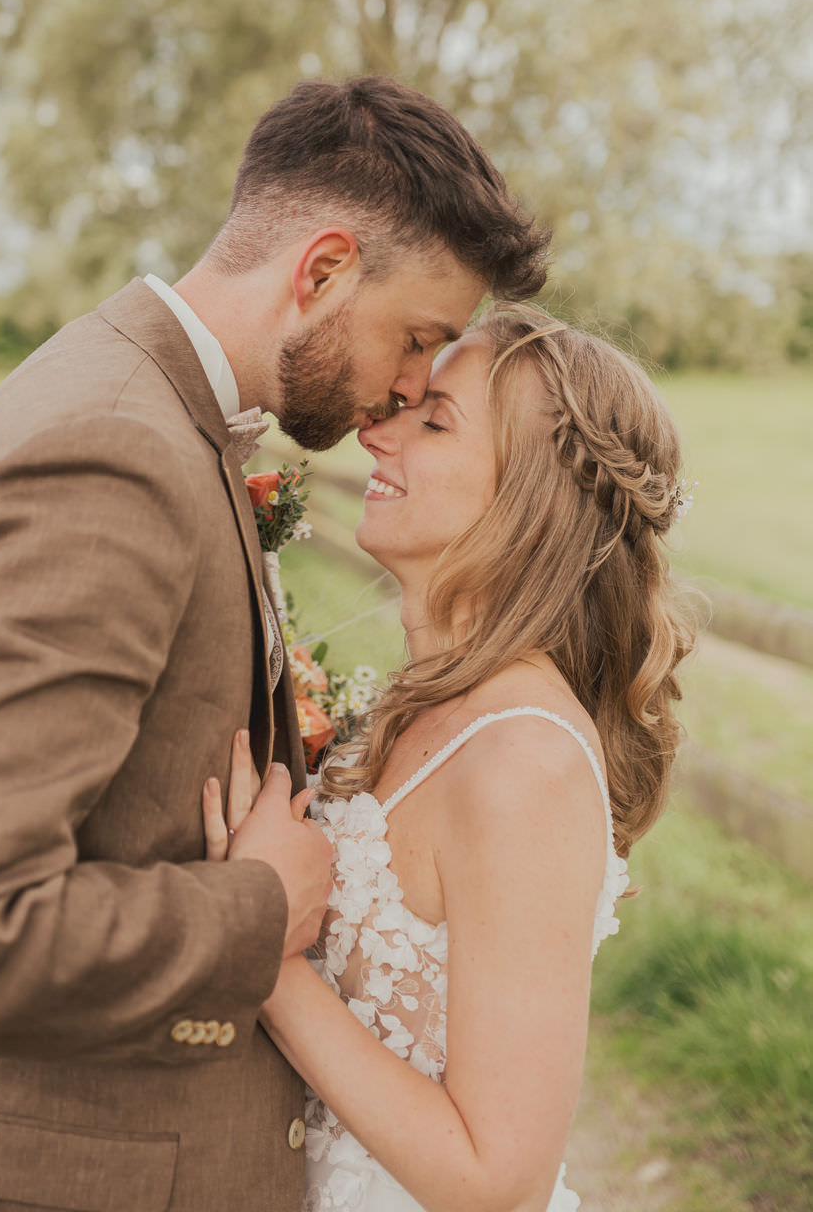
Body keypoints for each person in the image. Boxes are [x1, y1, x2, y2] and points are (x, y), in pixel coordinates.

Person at [0, 76, 549, 1212]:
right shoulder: (111, 450)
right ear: (321, 270)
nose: (408, 386)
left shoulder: (160, 415)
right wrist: (254, 909)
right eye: (417, 337)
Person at [205, 304, 697, 1212]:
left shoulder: (522, 763)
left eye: (433, 422)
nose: (375, 430)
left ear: (530, 499)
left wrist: (266, 960)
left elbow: (493, 1177)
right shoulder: (424, 705)